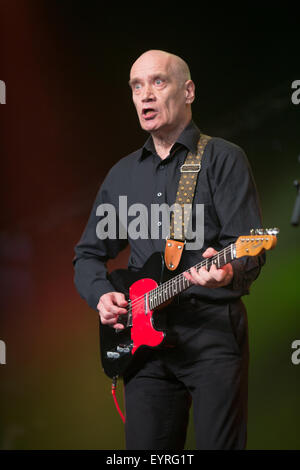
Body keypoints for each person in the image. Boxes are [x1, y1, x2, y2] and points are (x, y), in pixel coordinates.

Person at [73, 49, 265, 450]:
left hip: (211, 335)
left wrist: (227, 271)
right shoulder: (122, 174)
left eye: (158, 82)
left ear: (188, 90)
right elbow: (88, 254)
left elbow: (249, 246)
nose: (145, 95)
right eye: (136, 86)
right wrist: (100, 295)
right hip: (144, 347)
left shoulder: (223, 159)